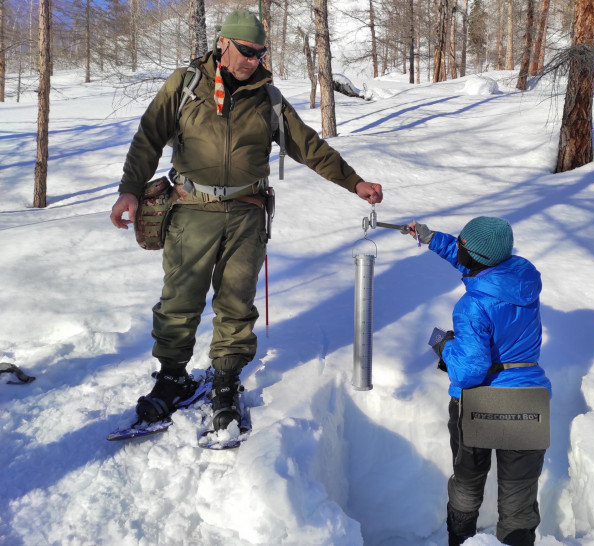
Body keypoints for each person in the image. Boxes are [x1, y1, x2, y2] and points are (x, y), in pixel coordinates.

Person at [110, 10, 383, 433]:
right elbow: (148, 137)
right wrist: (130, 188)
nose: (254, 60)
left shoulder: (267, 98)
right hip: (191, 210)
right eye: (247, 51)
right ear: (223, 44)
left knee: (236, 302)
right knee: (180, 301)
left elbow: (308, 145)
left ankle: (225, 382)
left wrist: (354, 182)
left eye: (260, 53)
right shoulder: (184, 86)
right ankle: (172, 378)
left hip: (246, 214)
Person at [409, 217, 551, 546]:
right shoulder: (521, 278)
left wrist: (445, 346)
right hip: (529, 398)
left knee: (467, 484)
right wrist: (431, 239)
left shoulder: (472, 306)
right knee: (519, 499)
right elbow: (473, 256)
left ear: (476, 256)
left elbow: (470, 369)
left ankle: (461, 540)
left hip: (480, 402)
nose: (457, 244)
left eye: (460, 242)